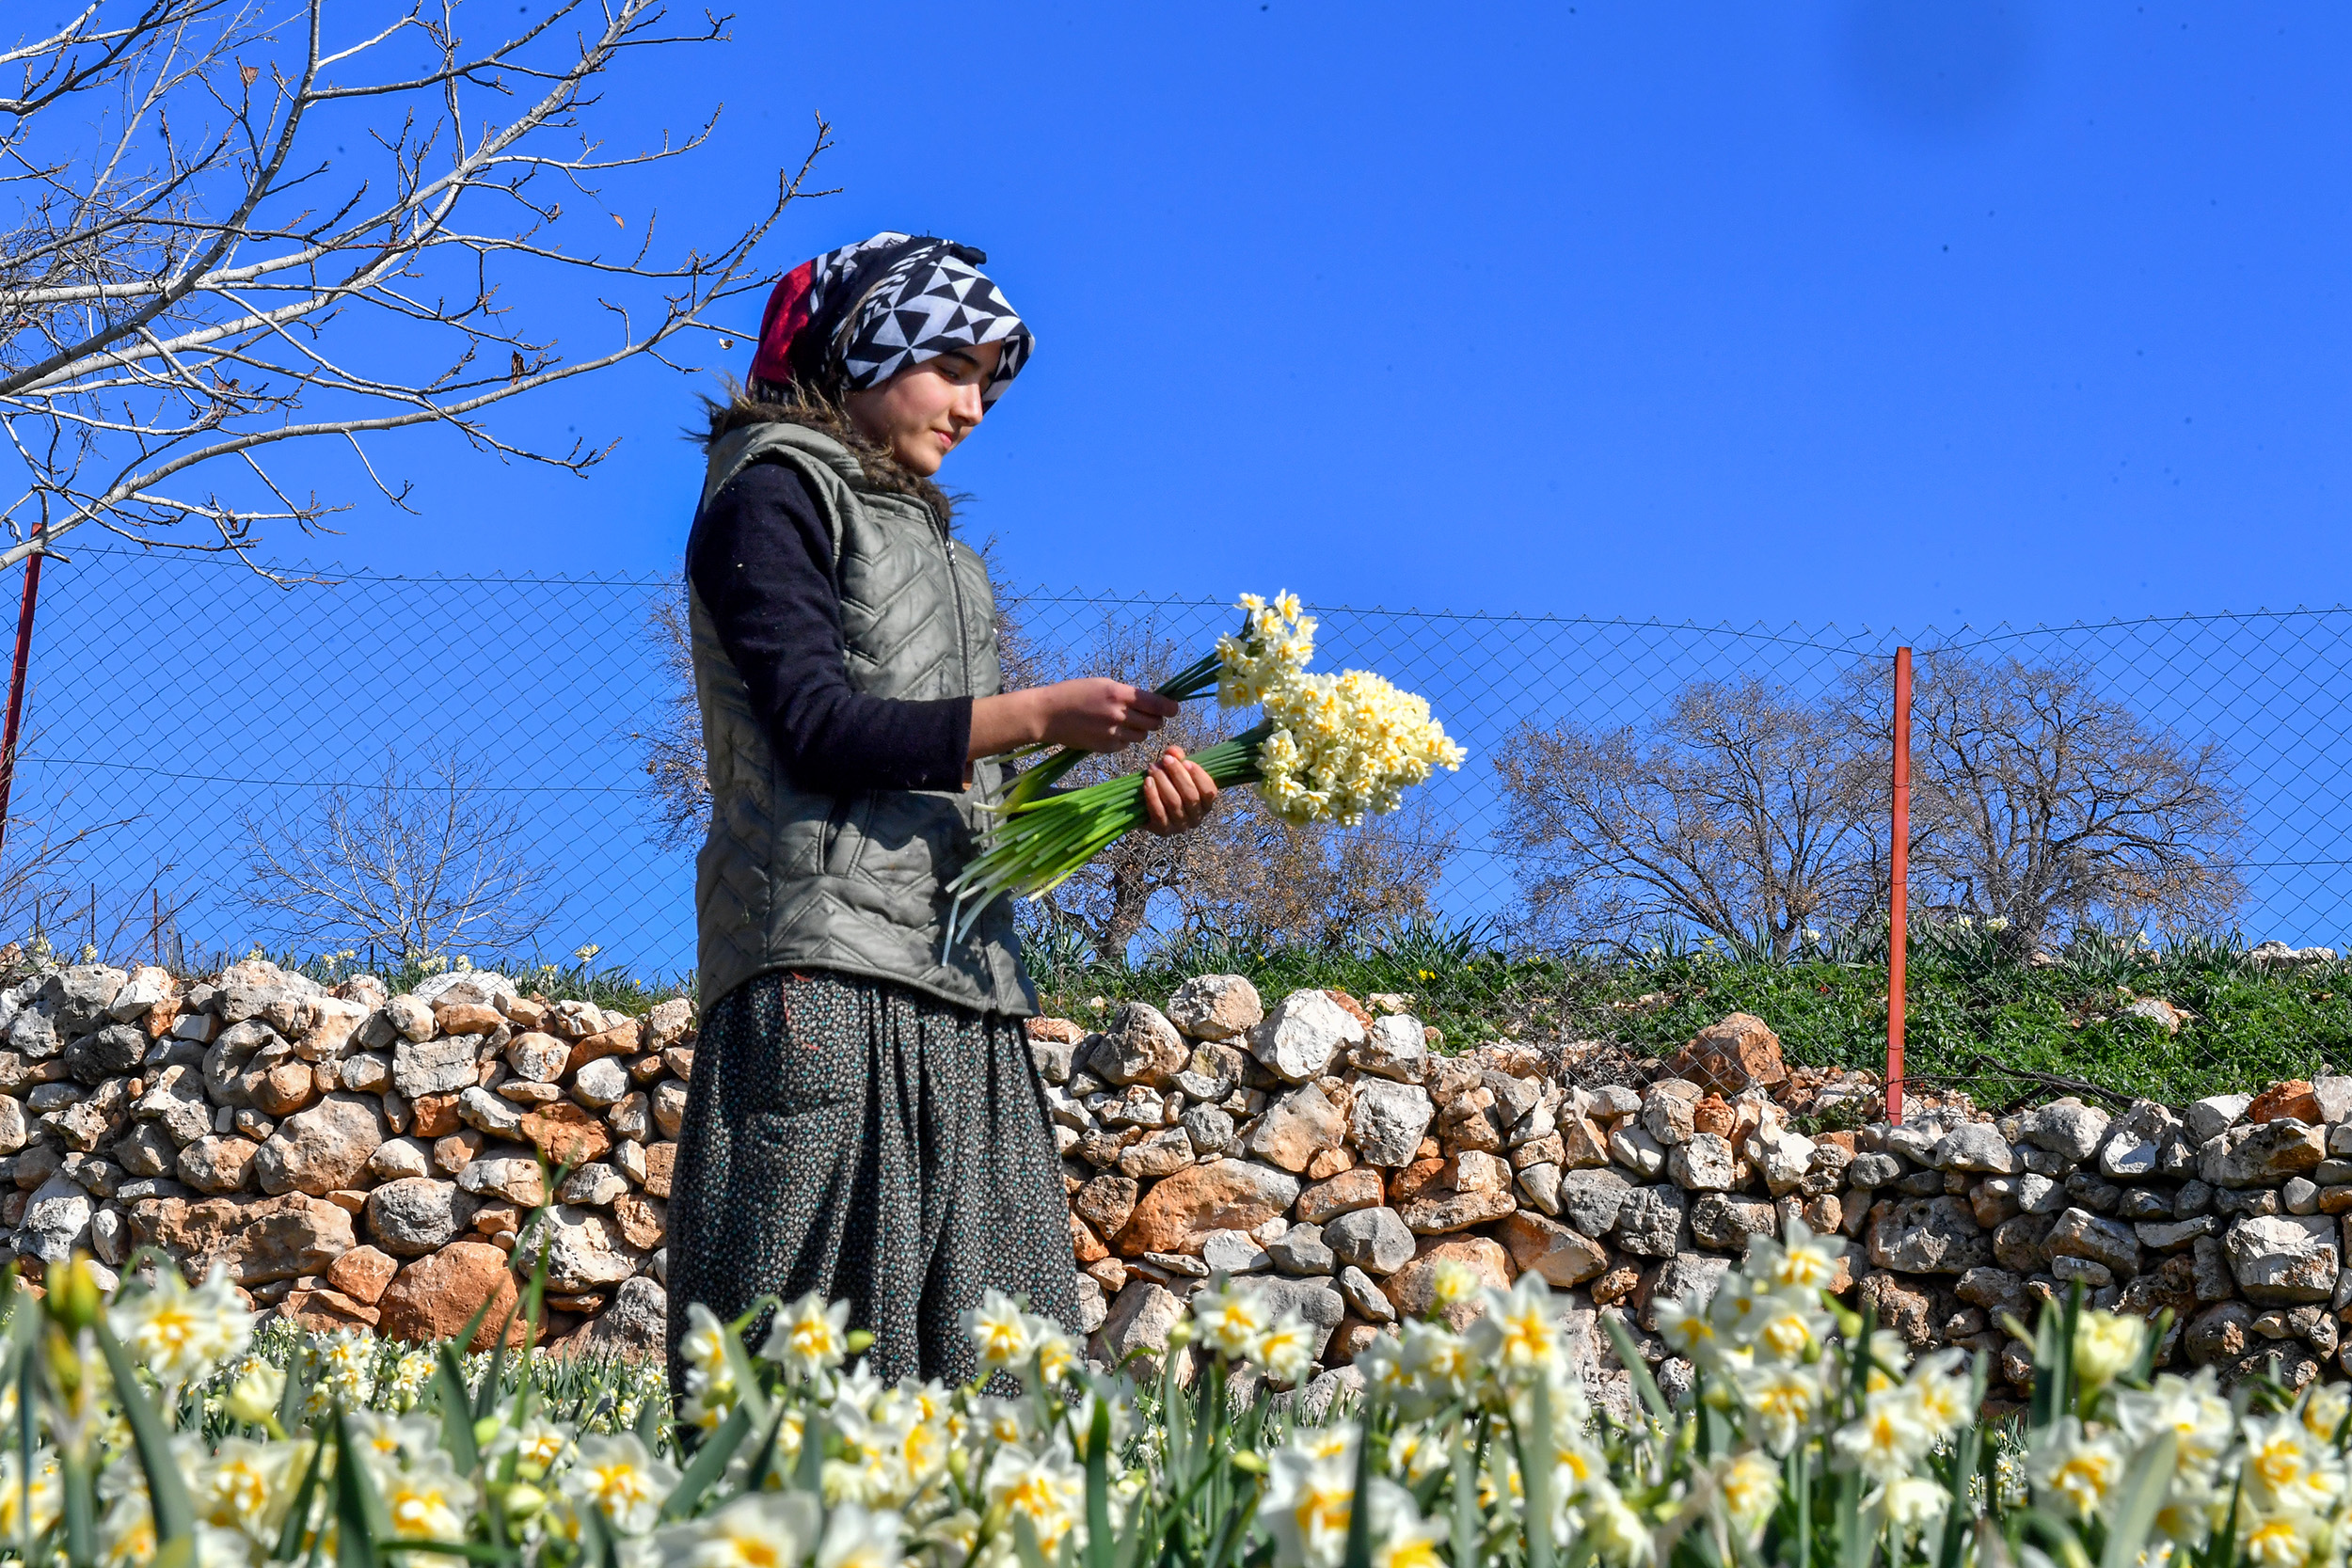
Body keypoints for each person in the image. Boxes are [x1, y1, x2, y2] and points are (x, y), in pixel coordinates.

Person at [665, 231, 1216, 1395]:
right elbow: (815, 727)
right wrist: (1033, 712)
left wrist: (1122, 802)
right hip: (823, 974)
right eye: (953, 367)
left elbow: (968, 794)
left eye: (991, 385)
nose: (973, 407)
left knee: (995, 1384)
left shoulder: (940, 549)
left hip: (961, 986)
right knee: (787, 1382)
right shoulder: (771, 490)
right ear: (872, 345)